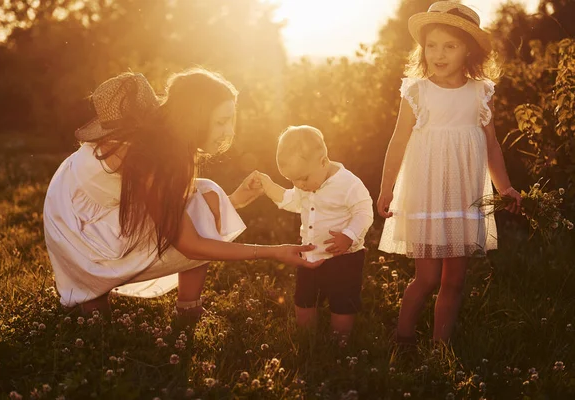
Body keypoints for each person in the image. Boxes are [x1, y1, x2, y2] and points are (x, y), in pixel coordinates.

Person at [43, 68, 322, 317]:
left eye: (231, 120)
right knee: (198, 216)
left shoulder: (170, 140)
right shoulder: (151, 155)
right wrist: (273, 252)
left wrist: (232, 201)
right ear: (196, 118)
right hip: (76, 224)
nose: (229, 131)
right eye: (222, 121)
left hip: (101, 204)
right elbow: (188, 243)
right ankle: (92, 286)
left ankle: (189, 306)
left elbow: (178, 200)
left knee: (209, 192)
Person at [376, 1, 522, 344]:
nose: (438, 54)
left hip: (464, 197)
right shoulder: (416, 91)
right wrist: (386, 189)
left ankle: (441, 347)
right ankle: (402, 339)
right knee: (426, 279)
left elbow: (492, 146)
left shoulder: (480, 92)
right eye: (431, 45)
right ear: (422, 48)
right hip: (426, 195)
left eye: (450, 46)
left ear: (468, 50)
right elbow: (397, 143)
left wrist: (505, 189)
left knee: (454, 281)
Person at [254, 125, 373, 336]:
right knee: (304, 300)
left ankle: (340, 341)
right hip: (309, 256)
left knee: (343, 303)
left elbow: (364, 212)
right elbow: (290, 200)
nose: (299, 185)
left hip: (343, 258)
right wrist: (268, 186)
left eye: (303, 178)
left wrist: (349, 235)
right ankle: (307, 338)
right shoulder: (304, 185)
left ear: (324, 162)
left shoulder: (349, 184)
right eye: (293, 180)